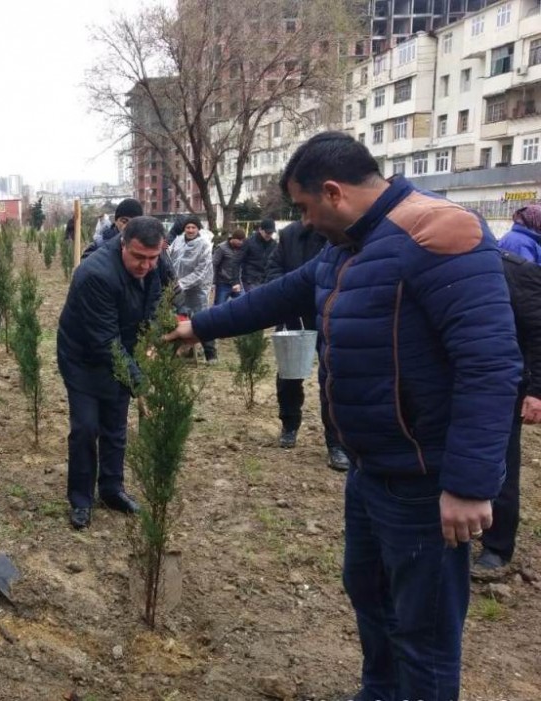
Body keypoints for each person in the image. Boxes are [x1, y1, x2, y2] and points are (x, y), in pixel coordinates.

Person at [166, 131, 522, 701]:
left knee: (424, 631)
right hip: (369, 469)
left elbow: (490, 363)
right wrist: (200, 326)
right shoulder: (348, 246)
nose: (303, 224)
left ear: (332, 192)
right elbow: (281, 294)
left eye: (304, 208)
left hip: (424, 480)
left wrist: (469, 485)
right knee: (369, 595)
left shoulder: (438, 233)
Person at [57, 216, 164, 530]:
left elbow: (157, 303)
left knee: (115, 425)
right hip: (84, 359)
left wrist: (151, 338)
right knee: (86, 428)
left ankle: (112, 489)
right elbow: (105, 342)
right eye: (138, 257)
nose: (146, 265)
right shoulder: (96, 275)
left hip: (121, 352)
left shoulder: (156, 262)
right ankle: (80, 500)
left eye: (152, 258)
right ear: (122, 243)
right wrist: (140, 384)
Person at [264, 221, 350, 471]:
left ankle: (336, 444)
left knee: (332, 378)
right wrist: (286, 293)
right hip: (293, 314)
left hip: (332, 315)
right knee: (288, 375)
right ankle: (289, 425)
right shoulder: (290, 234)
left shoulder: (341, 231)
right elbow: (274, 267)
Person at [475, 250, 541, 573]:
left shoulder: (515, 272)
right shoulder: (434, 266)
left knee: (501, 460)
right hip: (453, 384)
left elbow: (539, 332)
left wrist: (536, 391)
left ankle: (497, 546)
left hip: (503, 386)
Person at [167, 215, 215, 362]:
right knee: (177, 318)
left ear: (198, 228)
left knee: (202, 318)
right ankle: (178, 352)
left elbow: (201, 272)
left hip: (197, 288)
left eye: (193, 227)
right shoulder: (179, 240)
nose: (190, 230)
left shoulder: (204, 245)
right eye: (188, 227)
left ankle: (210, 353)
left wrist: (181, 283)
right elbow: (171, 259)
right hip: (177, 286)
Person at [239, 218, 276, 291]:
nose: (269, 235)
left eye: (271, 233)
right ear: (260, 230)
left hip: (266, 280)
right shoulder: (249, 242)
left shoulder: (274, 245)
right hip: (250, 280)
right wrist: (235, 281)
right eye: (267, 232)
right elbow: (238, 260)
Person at [211, 229, 244, 304]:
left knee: (243, 304)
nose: (241, 242)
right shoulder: (222, 248)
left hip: (237, 283)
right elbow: (214, 264)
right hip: (223, 283)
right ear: (233, 238)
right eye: (239, 240)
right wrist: (213, 282)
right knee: (219, 306)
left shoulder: (243, 248)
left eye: (242, 240)